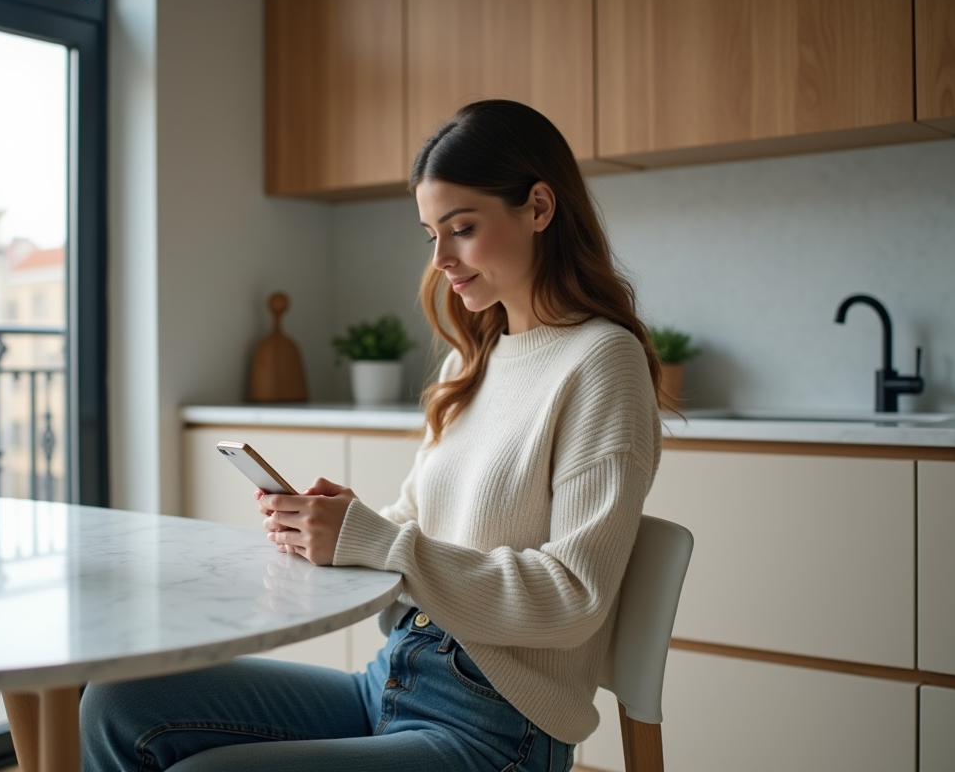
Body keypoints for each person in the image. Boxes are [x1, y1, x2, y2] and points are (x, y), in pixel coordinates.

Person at [80, 99, 665, 772]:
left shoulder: (602, 361)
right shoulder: (472, 360)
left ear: (538, 207)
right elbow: (415, 527)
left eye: (462, 228)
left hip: (497, 730)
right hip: (395, 675)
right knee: (117, 702)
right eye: (430, 235)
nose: (441, 257)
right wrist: (337, 527)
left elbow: (573, 598)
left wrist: (378, 540)